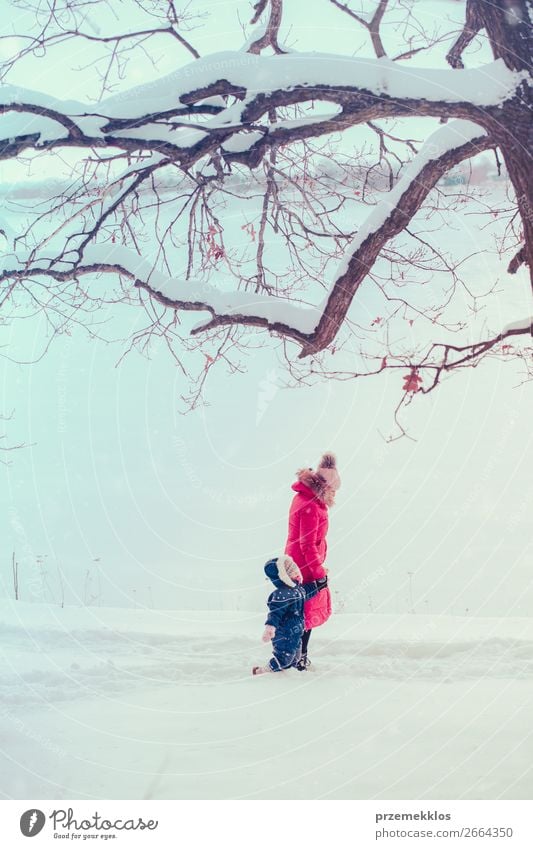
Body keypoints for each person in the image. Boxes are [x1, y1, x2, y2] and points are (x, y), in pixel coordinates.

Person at [284, 452, 340, 670]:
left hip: (300, 564)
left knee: (301, 614)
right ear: (325, 486)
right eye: (334, 490)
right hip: (303, 568)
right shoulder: (310, 506)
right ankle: (297, 659)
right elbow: (307, 545)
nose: (335, 494)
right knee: (304, 614)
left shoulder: (308, 500)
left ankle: (298, 656)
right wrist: (318, 573)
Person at [252, 555, 327, 675]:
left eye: (296, 570)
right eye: (292, 572)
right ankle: (263, 671)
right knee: (284, 658)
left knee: (295, 658)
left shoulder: (299, 590)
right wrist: (270, 627)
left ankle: (287, 676)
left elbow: (309, 591)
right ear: (283, 576)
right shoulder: (281, 593)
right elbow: (275, 612)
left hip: (297, 633)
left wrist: (319, 583)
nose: (297, 573)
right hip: (284, 633)